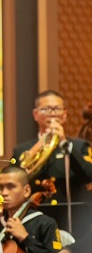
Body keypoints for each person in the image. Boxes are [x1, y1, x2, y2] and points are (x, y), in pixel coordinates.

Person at [12, 91, 92, 229]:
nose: (53, 113)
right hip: (35, 218)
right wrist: (38, 147)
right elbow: (16, 182)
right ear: (35, 114)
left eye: (57, 109)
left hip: (72, 219)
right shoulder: (22, 150)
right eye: (46, 109)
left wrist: (65, 144)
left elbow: (89, 175)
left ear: (65, 114)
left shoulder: (80, 146)